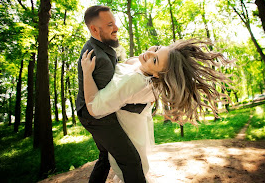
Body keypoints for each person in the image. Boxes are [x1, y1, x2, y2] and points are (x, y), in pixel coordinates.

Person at [81, 38, 233, 182]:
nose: (149, 53)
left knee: (129, 169)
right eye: (157, 48)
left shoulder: (134, 81)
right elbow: (132, 62)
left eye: (155, 60)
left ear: (157, 74)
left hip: (126, 131)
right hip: (134, 127)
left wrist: (87, 73)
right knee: (107, 158)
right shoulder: (147, 71)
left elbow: (95, 108)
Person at [75, 5, 148, 183]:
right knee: (131, 161)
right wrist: (142, 103)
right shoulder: (95, 56)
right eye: (109, 25)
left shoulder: (102, 46)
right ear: (94, 29)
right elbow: (113, 98)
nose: (116, 28)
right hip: (98, 117)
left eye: (114, 23)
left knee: (105, 156)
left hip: (88, 112)